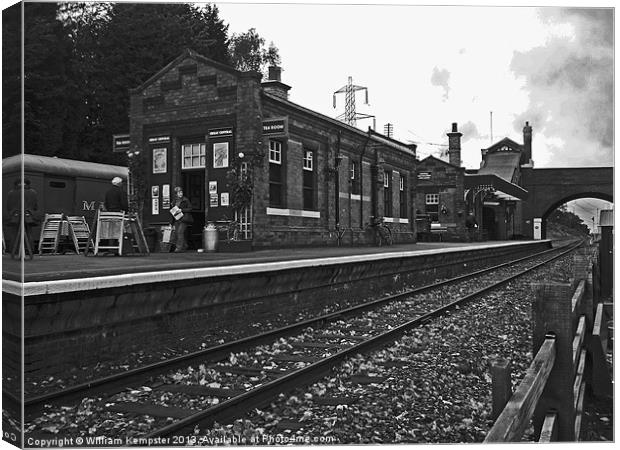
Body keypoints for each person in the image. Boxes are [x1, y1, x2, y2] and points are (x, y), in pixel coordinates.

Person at [5, 178, 39, 256]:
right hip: (28, 215)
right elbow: (36, 206)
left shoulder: (11, 193)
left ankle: (14, 251)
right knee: (29, 233)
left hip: (15, 216)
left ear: (16, 183)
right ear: (27, 183)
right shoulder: (33, 192)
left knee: (14, 233)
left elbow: (8, 206)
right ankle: (30, 250)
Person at [171, 186, 193, 252]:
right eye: (178, 192)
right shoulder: (174, 201)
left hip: (184, 219)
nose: (180, 193)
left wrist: (182, 210)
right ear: (176, 194)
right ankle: (185, 245)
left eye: (181, 192)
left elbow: (190, 208)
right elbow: (172, 212)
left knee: (180, 232)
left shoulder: (185, 200)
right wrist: (171, 223)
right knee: (178, 233)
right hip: (177, 219)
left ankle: (179, 248)